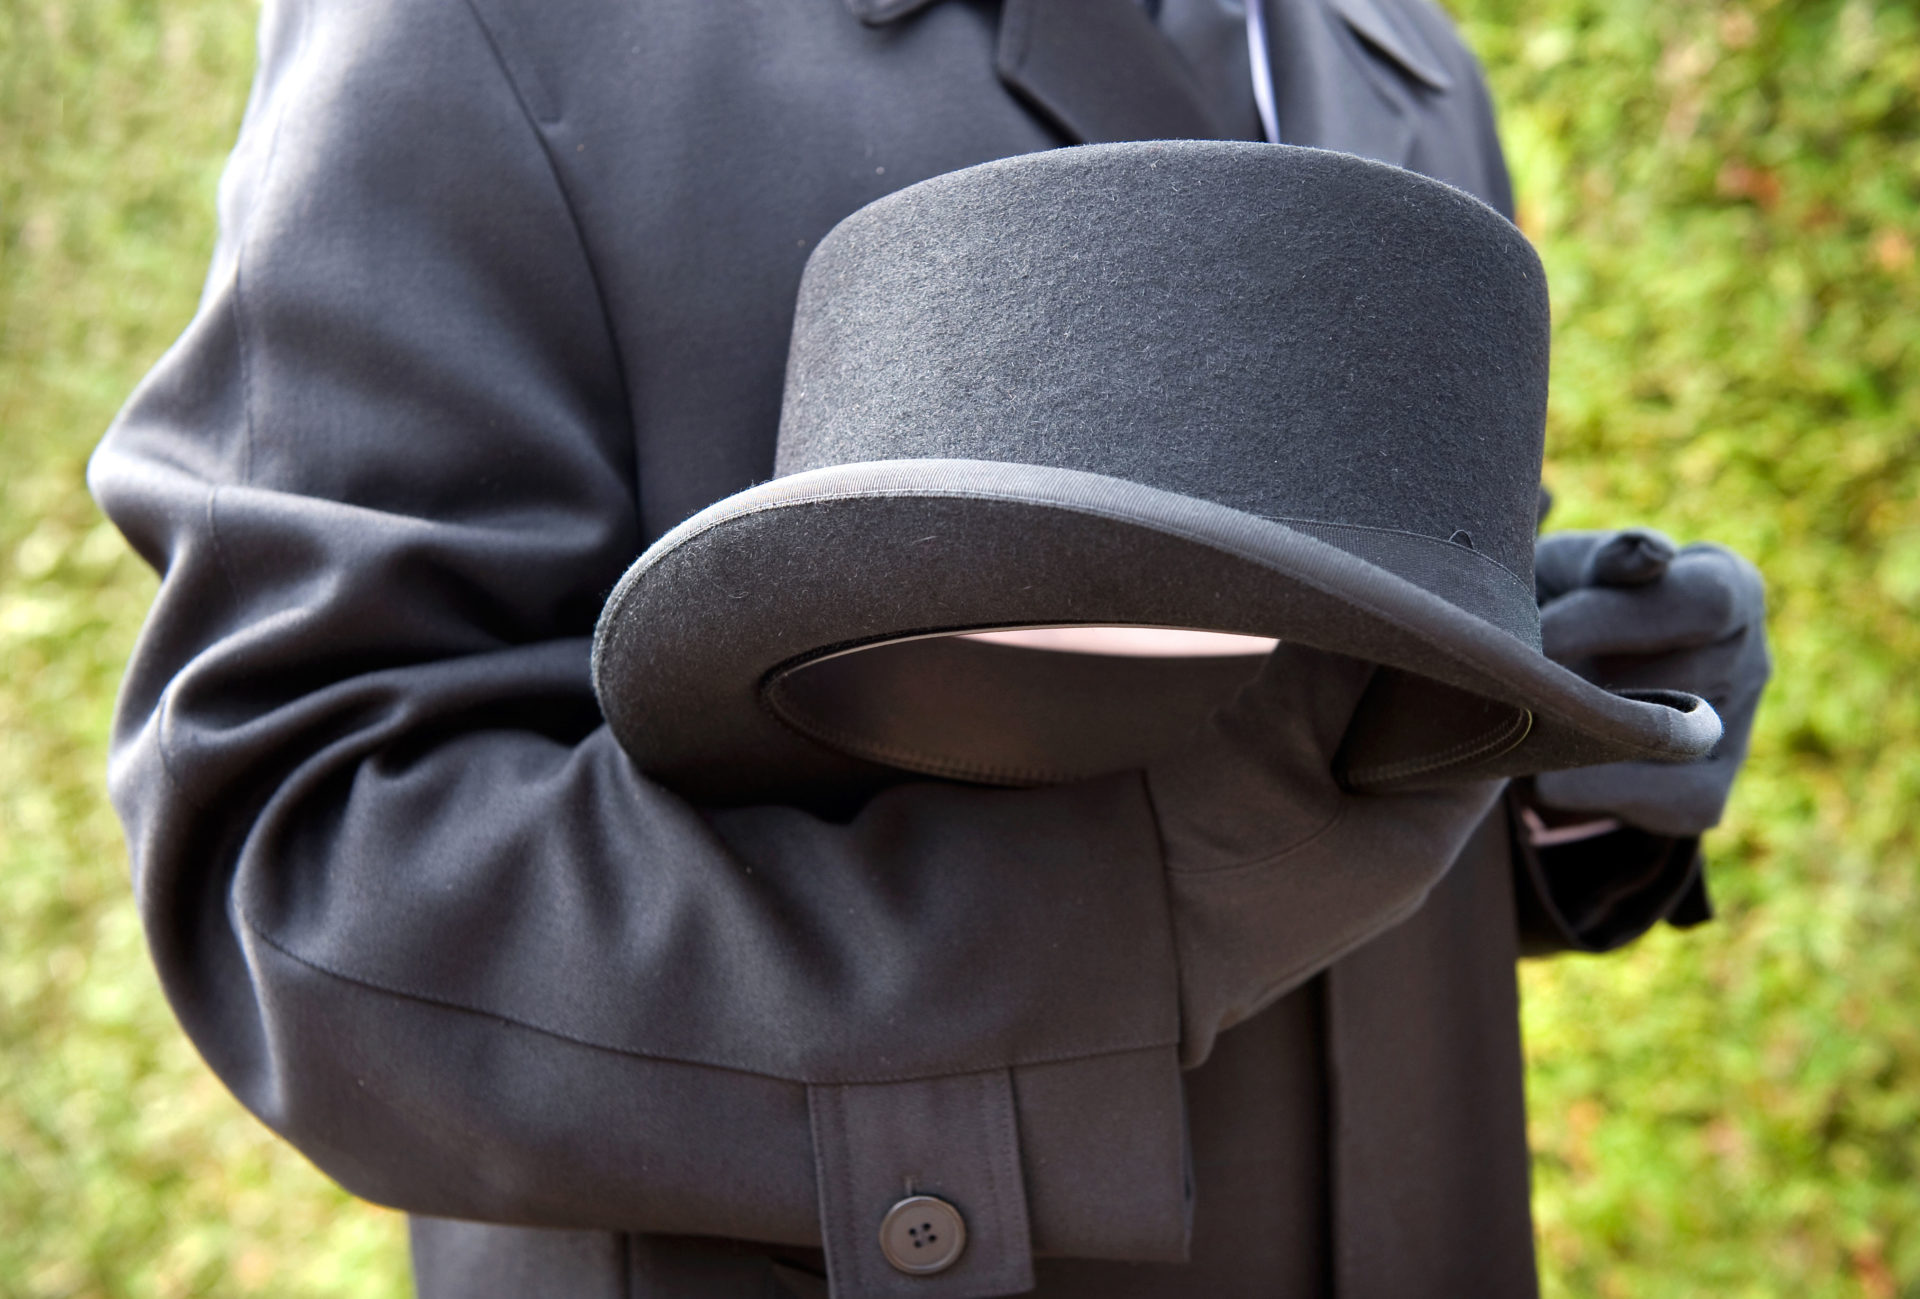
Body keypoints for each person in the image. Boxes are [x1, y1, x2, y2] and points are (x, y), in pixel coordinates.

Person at [90, 0, 1768, 1295]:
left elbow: (1323, 800)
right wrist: (1142, 899)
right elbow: (301, 865)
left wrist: (1539, 752)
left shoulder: (1389, 47)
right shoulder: (510, 23)